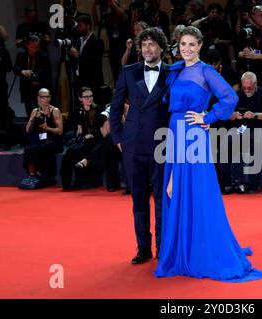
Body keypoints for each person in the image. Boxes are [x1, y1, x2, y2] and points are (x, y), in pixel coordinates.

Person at [155, 26, 262, 282]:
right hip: (175, 133)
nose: (185, 49)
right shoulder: (176, 69)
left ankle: (201, 251)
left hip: (193, 136)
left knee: (196, 191)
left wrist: (207, 117)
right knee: (174, 190)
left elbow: (229, 98)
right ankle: (182, 248)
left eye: (191, 45)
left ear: (199, 46)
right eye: (182, 44)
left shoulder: (206, 71)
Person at [110, 27, 170, 264]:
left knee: (163, 201)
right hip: (132, 145)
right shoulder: (128, 72)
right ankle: (143, 248)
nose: (147, 49)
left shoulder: (171, 73)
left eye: (152, 44)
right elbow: (115, 107)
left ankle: (162, 249)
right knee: (139, 200)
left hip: (161, 145)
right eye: (144, 45)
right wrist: (117, 138)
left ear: (162, 49)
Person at [60, 87, 104, 190]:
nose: (89, 99)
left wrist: (90, 135)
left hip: (96, 140)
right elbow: (76, 127)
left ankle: (85, 182)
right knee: (69, 152)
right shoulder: (77, 110)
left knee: (76, 150)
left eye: (91, 96)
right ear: (80, 99)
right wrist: (79, 135)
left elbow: (102, 130)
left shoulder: (98, 110)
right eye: (86, 97)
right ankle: (66, 183)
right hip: (83, 139)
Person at [18, 89, 63, 190]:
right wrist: (32, 118)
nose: (46, 99)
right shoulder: (35, 111)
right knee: (29, 149)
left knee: (33, 150)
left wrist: (48, 128)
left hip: (54, 142)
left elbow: (60, 131)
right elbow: (28, 130)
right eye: (43, 97)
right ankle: (32, 175)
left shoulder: (55, 111)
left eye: (48, 97)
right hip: (41, 142)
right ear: (38, 98)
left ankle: (38, 176)